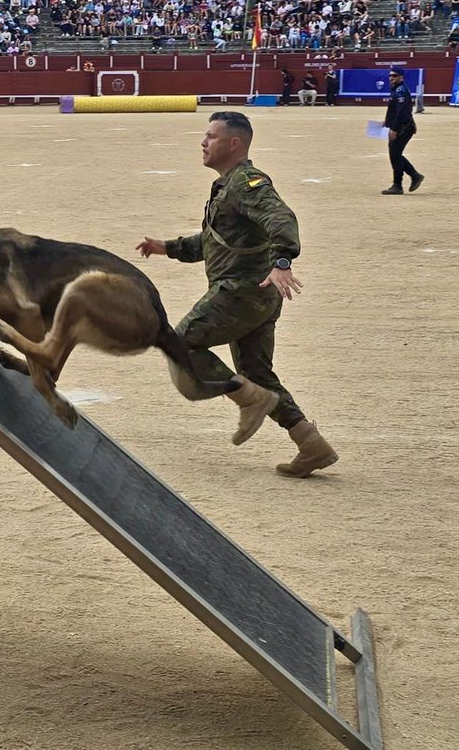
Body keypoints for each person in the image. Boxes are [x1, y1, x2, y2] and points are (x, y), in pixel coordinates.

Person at [135, 110, 338, 478]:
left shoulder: (248, 183)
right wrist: (168, 247)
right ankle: (310, 443)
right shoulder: (229, 186)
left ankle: (247, 398)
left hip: (240, 293)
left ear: (234, 144)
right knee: (257, 372)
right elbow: (213, 241)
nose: (203, 142)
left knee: (180, 343)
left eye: (211, 136)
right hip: (256, 296)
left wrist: (282, 260)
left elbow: (282, 219)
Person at [381, 66, 424, 195]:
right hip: (401, 126)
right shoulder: (397, 89)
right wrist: (387, 122)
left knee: (395, 154)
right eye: (390, 75)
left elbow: (402, 112)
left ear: (401, 77)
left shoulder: (400, 91)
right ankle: (413, 176)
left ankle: (399, 184)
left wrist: (394, 129)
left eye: (394, 75)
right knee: (395, 154)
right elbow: (394, 110)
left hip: (403, 127)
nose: (391, 78)